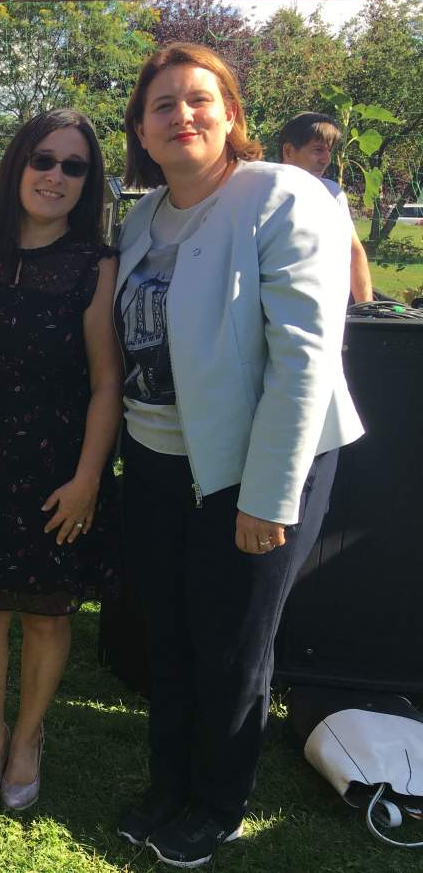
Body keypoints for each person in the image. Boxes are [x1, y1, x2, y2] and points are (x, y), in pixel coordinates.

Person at [114, 43, 364, 867]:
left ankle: (217, 805)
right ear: (141, 132)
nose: (181, 115)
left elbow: (305, 360)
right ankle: (169, 784)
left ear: (231, 115)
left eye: (199, 99)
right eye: (162, 105)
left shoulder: (281, 196)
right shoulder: (142, 218)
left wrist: (269, 496)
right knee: (169, 635)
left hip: (252, 467)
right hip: (156, 463)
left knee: (231, 645)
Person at [0, 109, 122, 810]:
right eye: (44, 159)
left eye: (74, 166)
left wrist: (88, 480)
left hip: (56, 465)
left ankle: (30, 735)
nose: (56, 176)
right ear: (18, 166)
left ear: (88, 181)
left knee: (46, 614)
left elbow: (107, 383)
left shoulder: (96, 265)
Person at [278, 111, 374, 303]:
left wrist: (366, 310)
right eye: (318, 150)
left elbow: (353, 251)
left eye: (329, 151)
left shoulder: (332, 192)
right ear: (288, 151)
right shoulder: (266, 193)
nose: (326, 159)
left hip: (328, 307)